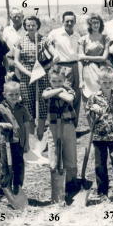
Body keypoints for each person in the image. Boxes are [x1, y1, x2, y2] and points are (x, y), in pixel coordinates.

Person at [85, 70, 113, 201]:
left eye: (110, 82)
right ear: (99, 83)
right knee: (100, 165)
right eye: (104, 82)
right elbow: (87, 114)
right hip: (99, 137)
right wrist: (92, 113)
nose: (107, 85)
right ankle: (102, 192)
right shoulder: (93, 97)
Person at [0, 82, 32, 202]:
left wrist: (27, 142)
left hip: (19, 142)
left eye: (16, 94)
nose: (14, 97)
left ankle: (17, 190)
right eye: (11, 94)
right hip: (6, 143)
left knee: (19, 166)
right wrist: (1, 124)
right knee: (6, 167)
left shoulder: (22, 108)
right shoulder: (0, 108)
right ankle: (2, 192)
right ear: (4, 94)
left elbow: (27, 125)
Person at [42, 68, 79, 203]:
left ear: (64, 80)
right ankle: (57, 192)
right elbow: (45, 96)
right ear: (49, 80)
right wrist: (59, 91)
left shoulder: (69, 89)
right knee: (54, 157)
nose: (57, 83)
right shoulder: (47, 90)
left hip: (67, 125)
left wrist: (58, 92)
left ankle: (71, 187)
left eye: (60, 81)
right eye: (54, 81)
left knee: (70, 156)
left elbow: (69, 98)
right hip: (52, 127)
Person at [13, 16, 49, 139]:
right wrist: (29, 74)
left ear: (37, 25)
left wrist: (43, 69)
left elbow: (56, 57)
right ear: (25, 26)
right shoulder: (20, 41)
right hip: (26, 75)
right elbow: (16, 61)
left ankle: (40, 134)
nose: (31, 27)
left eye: (33, 25)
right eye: (28, 25)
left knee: (42, 104)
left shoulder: (44, 40)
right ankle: (32, 136)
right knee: (28, 105)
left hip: (41, 76)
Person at [47, 11, 83, 127]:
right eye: (67, 21)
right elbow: (46, 45)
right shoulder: (55, 33)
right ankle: (62, 123)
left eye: (72, 21)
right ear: (62, 21)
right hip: (61, 67)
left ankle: (74, 125)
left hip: (75, 66)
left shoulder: (77, 35)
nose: (69, 23)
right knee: (63, 93)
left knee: (76, 95)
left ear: (75, 22)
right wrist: (54, 55)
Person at [79, 14, 113, 102]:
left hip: (102, 69)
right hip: (88, 71)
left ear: (100, 23)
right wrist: (80, 80)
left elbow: (104, 58)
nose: (95, 25)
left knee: (105, 95)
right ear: (89, 24)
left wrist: (86, 57)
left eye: (97, 22)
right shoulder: (83, 39)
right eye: (93, 23)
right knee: (89, 96)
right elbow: (80, 60)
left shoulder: (105, 38)